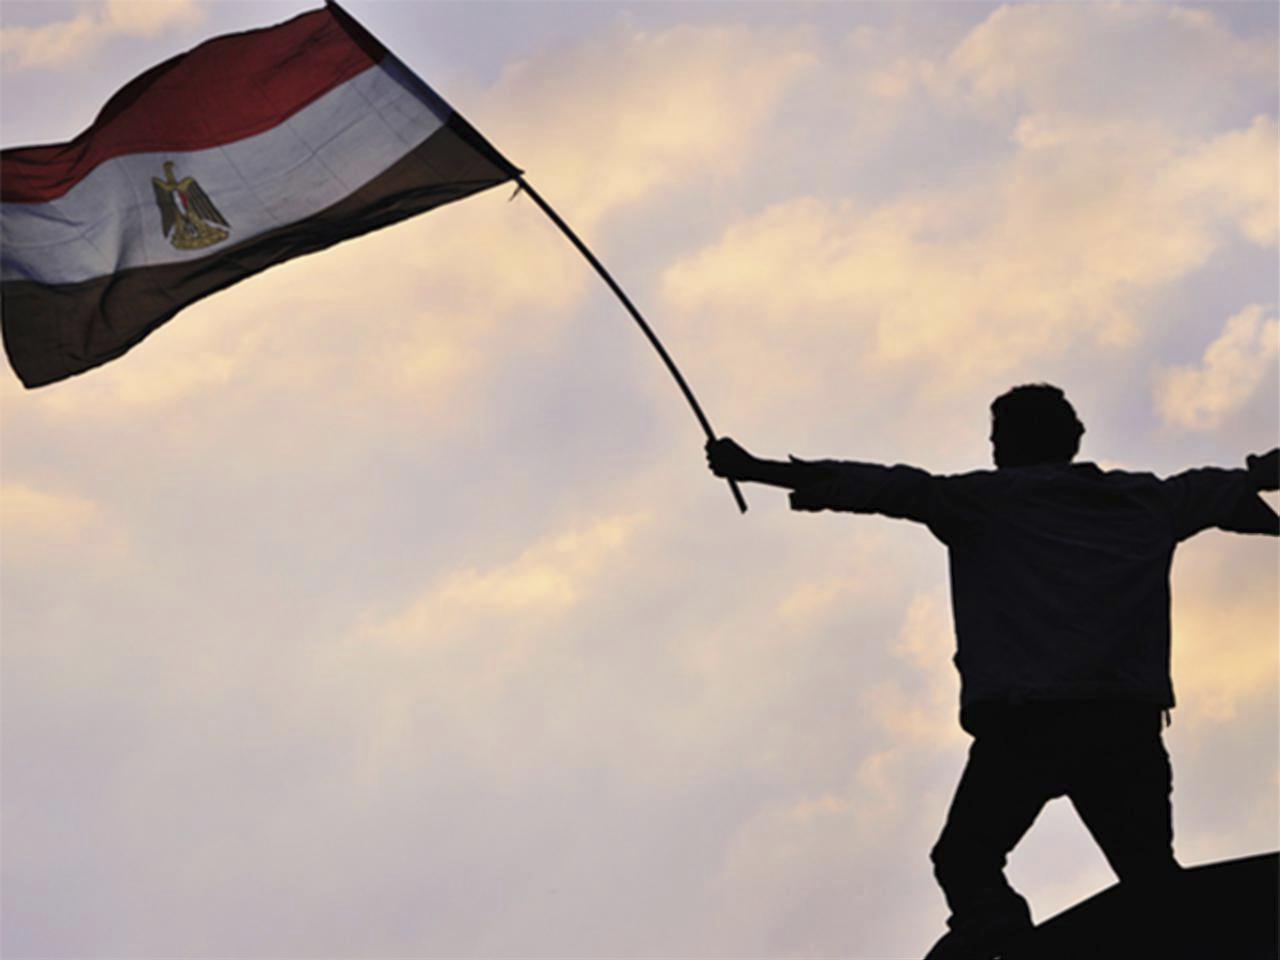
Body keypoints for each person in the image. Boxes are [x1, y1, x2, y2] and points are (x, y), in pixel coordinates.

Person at [704, 383, 1279, 960]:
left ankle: (996, 929)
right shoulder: (1148, 500)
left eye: (998, 437)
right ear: (1073, 439)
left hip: (1028, 724)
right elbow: (1234, 485)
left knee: (966, 860)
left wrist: (755, 469)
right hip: (1122, 721)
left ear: (1004, 445)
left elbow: (879, 485)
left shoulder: (983, 500)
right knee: (1150, 877)